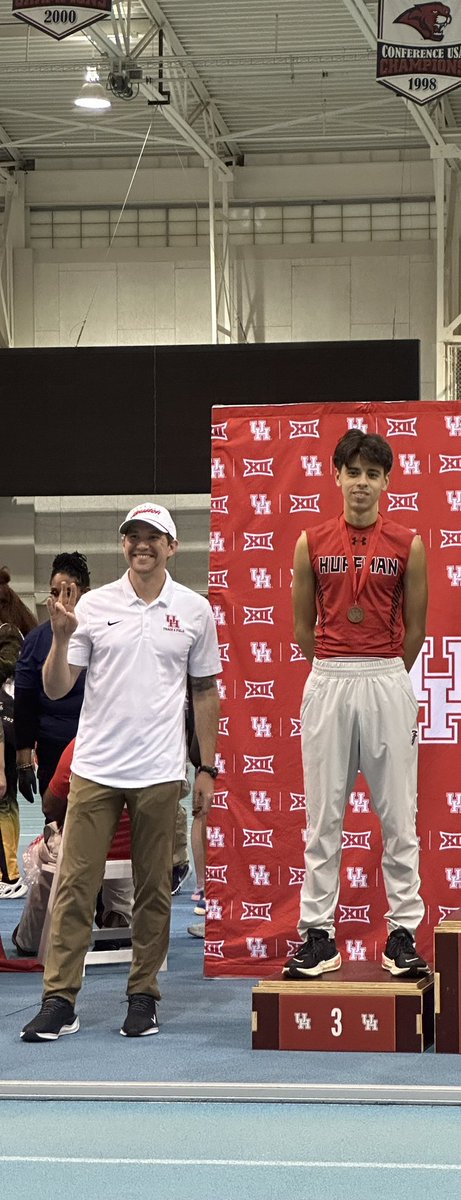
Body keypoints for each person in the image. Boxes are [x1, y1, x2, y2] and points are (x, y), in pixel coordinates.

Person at [21, 501, 221, 1042]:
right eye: (133, 536)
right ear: (123, 545)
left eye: (153, 536)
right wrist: (60, 638)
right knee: (74, 887)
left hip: (159, 772)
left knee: (154, 889)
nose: (142, 544)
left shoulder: (196, 610)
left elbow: (204, 691)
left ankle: (144, 995)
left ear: (172, 547)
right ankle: (60, 1000)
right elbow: (58, 686)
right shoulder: (93, 606)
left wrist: (207, 765)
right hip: (95, 770)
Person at [284, 429, 429, 982]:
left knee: (399, 815)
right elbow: (303, 631)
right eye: (354, 472)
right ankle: (319, 936)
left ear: (386, 482)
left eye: (373, 474)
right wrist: (339, 664)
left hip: (386, 676)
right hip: (329, 677)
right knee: (323, 817)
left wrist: (383, 670)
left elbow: (415, 631)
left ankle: (402, 934)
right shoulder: (311, 542)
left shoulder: (408, 544)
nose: (362, 483)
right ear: (337, 477)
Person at [12, 738, 133, 956]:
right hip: (133, 849)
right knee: (124, 845)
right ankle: (118, 919)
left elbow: (50, 806)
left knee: (44, 850)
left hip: (82, 848)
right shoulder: (150, 746)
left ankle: (32, 936)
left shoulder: (83, 745)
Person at [14, 552, 90, 802]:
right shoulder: (36, 640)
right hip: (52, 751)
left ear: (85, 593)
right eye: (55, 593)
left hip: (95, 749)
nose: (60, 600)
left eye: (68, 592)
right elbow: (24, 703)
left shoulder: (103, 635)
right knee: (55, 824)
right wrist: (24, 761)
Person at [0, 569, 37, 898]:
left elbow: (9, 669)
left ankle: (10, 874)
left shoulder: (9, 632)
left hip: (8, 727)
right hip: (11, 723)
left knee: (5, 798)